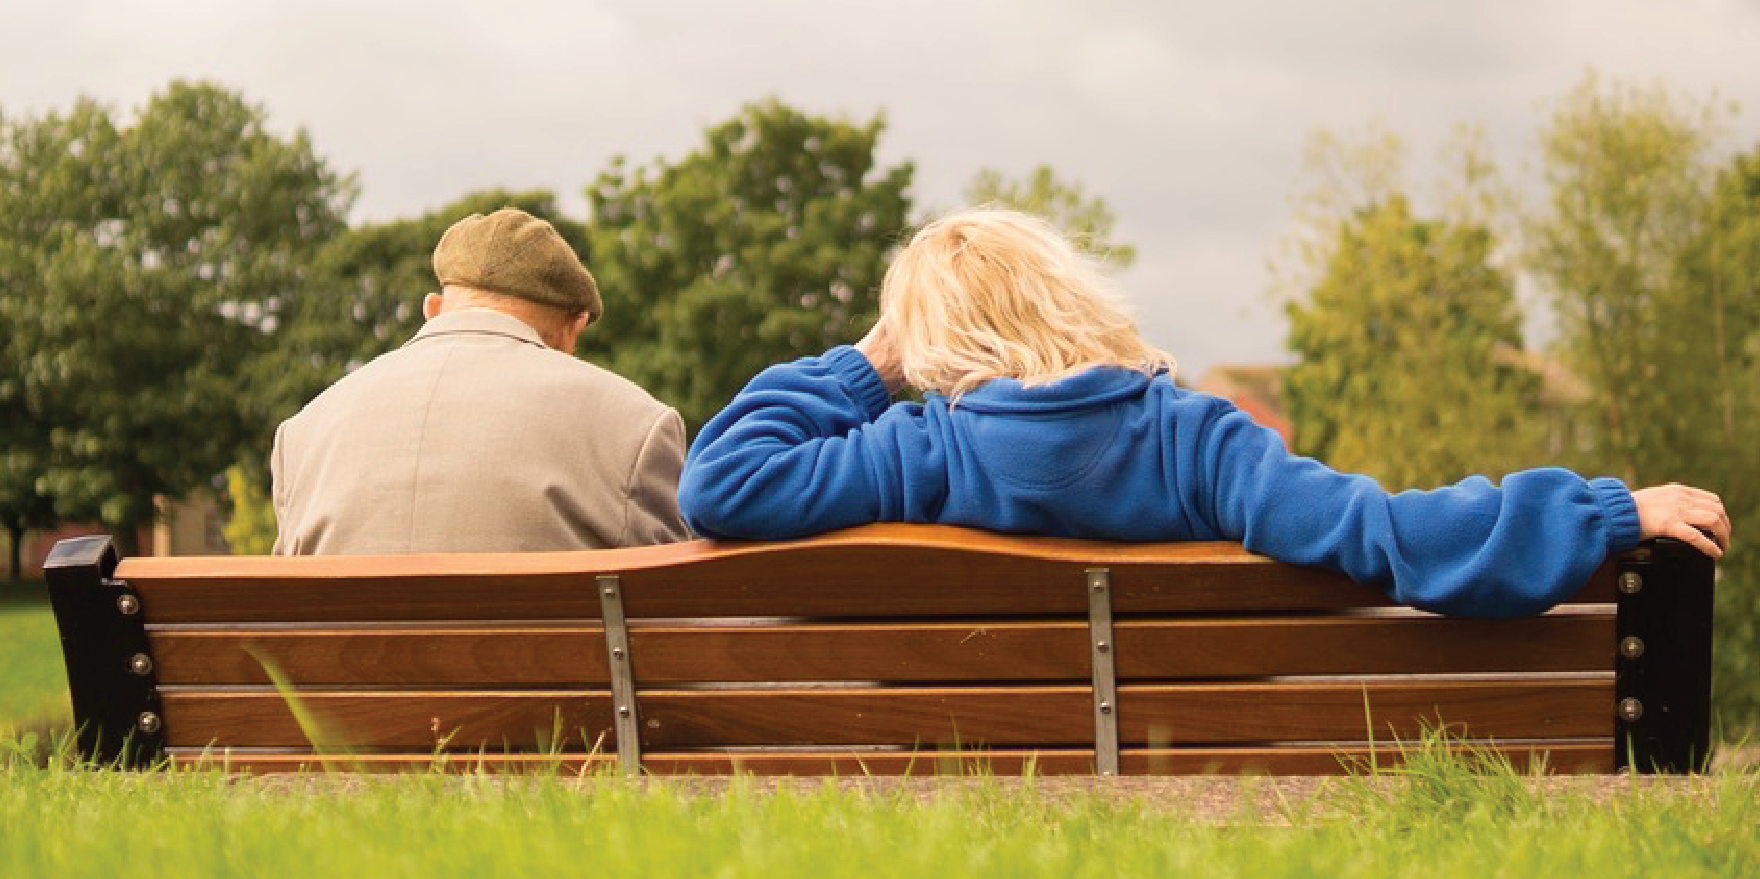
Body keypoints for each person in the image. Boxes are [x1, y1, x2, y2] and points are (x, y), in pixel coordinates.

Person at [678, 208, 1729, 617]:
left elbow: (719, 482)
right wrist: (1598, 514)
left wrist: (867, 366)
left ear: (931, 344)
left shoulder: (911, 451)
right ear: (1069, 298)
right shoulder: (1195, 440)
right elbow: (1381, 533)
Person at [272, 208, 690, 554]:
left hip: (340, 659)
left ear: (433, 308)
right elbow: (672, 614)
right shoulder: (637, 425)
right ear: (573, 325)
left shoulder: (302, 434)